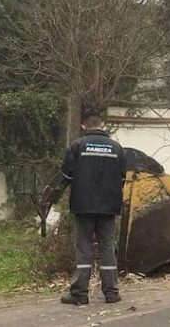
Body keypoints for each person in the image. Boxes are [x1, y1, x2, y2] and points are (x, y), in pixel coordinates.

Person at [59, 109, 126, 305]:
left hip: (83, 206)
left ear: (83, 125)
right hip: (109, 207)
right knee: (107, 248)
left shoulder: (77, 146)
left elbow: (67, 175)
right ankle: (111, 292)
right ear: (102, 124)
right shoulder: (117, 148)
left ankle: (80, 293)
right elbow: (123, 178)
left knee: (84, 249)